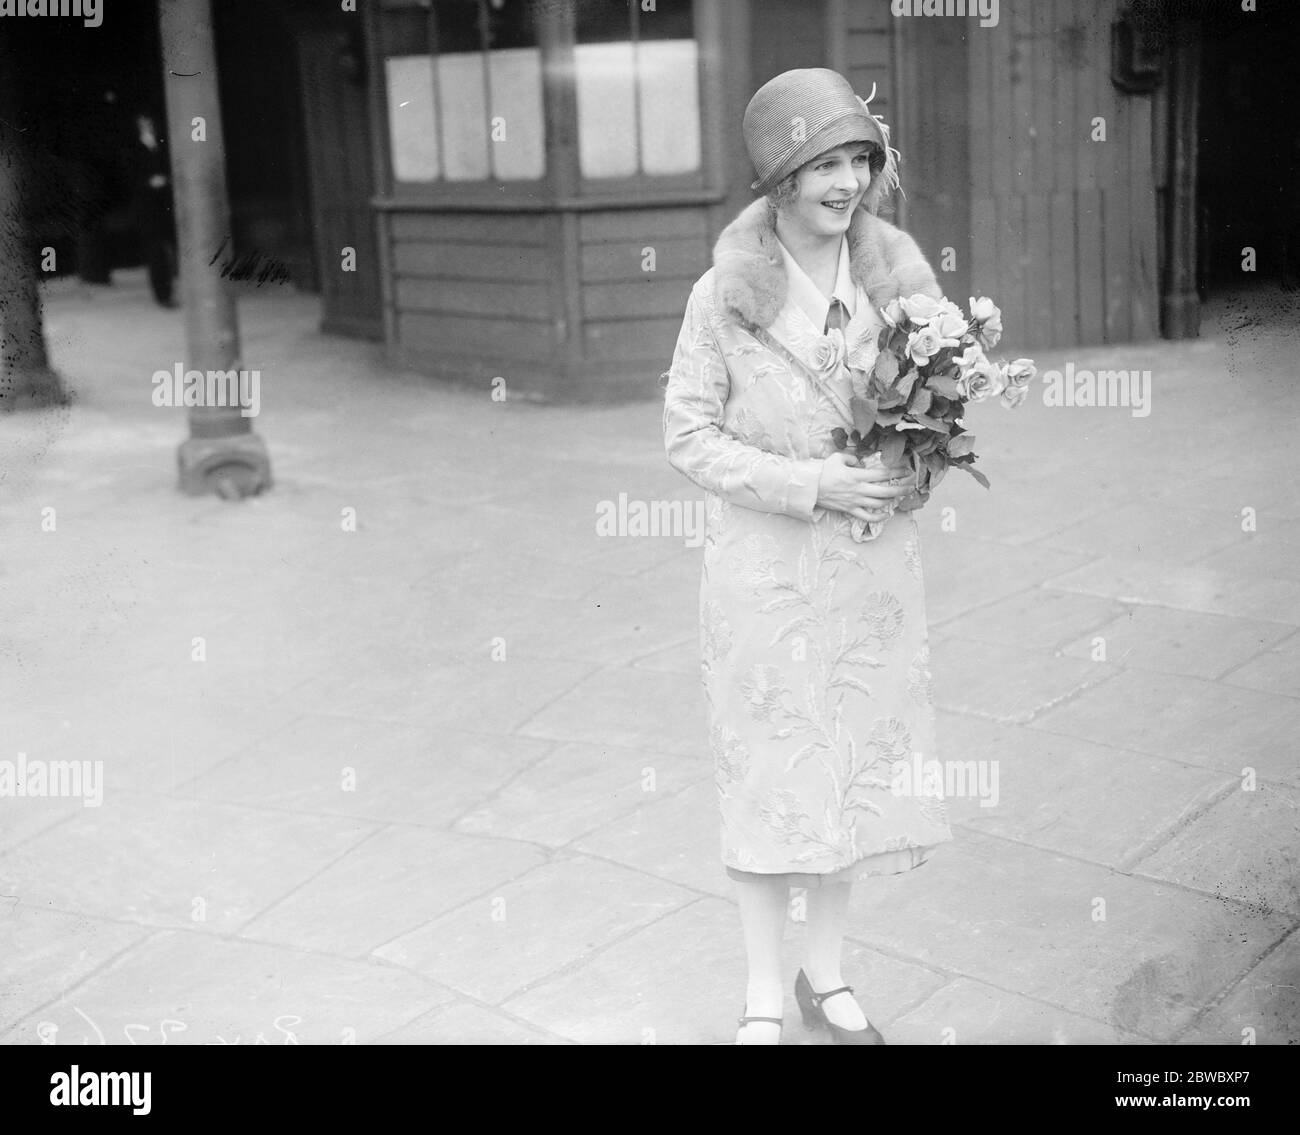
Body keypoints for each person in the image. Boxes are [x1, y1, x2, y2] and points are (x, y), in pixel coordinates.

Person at [662, 68, 954, 1046]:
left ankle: (824, 977)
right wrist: (809, 485)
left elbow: (930, 420)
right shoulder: (723, 296)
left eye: (857, 160)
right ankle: (758, 988)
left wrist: (915, 470)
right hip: (764, 578)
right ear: (779, 179)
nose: (844, 181)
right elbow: (688, 435)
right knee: (769, 779)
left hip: (872, 576)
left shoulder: (896, 284)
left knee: (851, 781)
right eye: (821, 163)